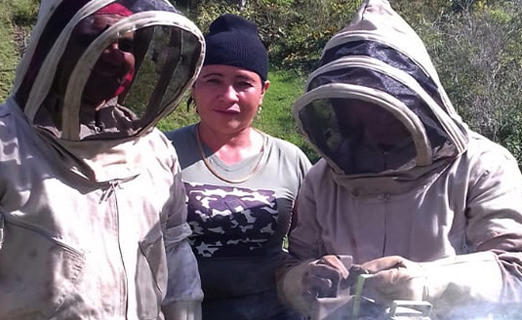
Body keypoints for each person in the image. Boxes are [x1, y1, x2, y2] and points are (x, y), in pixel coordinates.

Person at [277, 0, 522, 319]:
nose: (372, 124)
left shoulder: (482, 165)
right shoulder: (321, 178)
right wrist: (303, 278)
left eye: (383, 107)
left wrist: (428, 282)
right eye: (356, 108)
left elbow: (516, 273)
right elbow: (292, 265)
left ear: (416, 101)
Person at [0, 0, 205, 319]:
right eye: (95, 38)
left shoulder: (156, 151)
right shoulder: (7, 147)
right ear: (55, 45)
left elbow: (175, 251)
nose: (115, 55)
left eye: (126, 43)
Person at [165, 14, 312, 320]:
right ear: (194, 85)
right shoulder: (162, 153)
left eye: (243, 83)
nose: (228, 95)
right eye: (213, 80)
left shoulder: (290, 159)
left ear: (263, 91)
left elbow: (307, 250)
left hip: (275, 313)